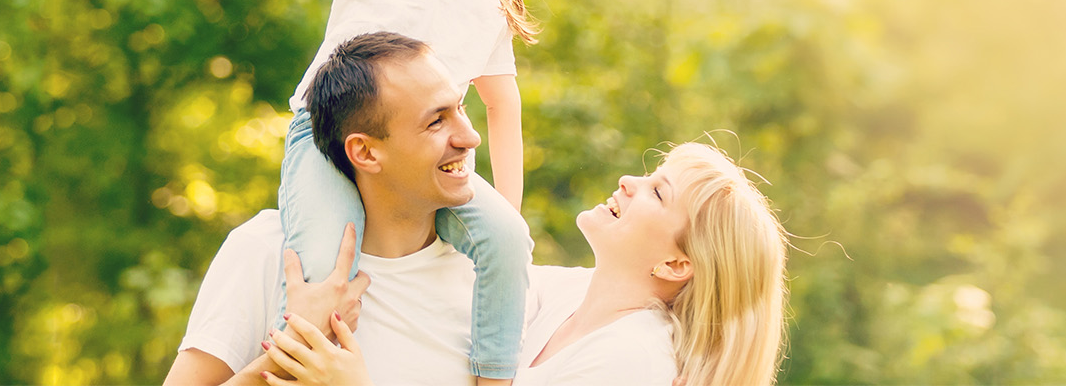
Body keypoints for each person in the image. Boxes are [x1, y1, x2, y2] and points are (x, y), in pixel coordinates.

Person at [219, 0, 587, 381]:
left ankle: (493, 373)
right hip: (331, 133)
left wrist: (508, 203)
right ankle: (294, 364)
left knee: (505, 241)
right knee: (320, 275)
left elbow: (504, 106)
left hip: (427, 158)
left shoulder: (488, 4)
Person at [261, 142, 792, 385]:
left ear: (677, 264)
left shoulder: (631, 363)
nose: (631, 181)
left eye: (658, 191)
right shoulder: (563, 294)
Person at [165, 32, 491, 386]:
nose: (470, 138)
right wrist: (290, 349)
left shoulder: (483, 280)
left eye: (461, 107)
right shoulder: (267, 250)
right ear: (365, 152)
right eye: (436, 121)